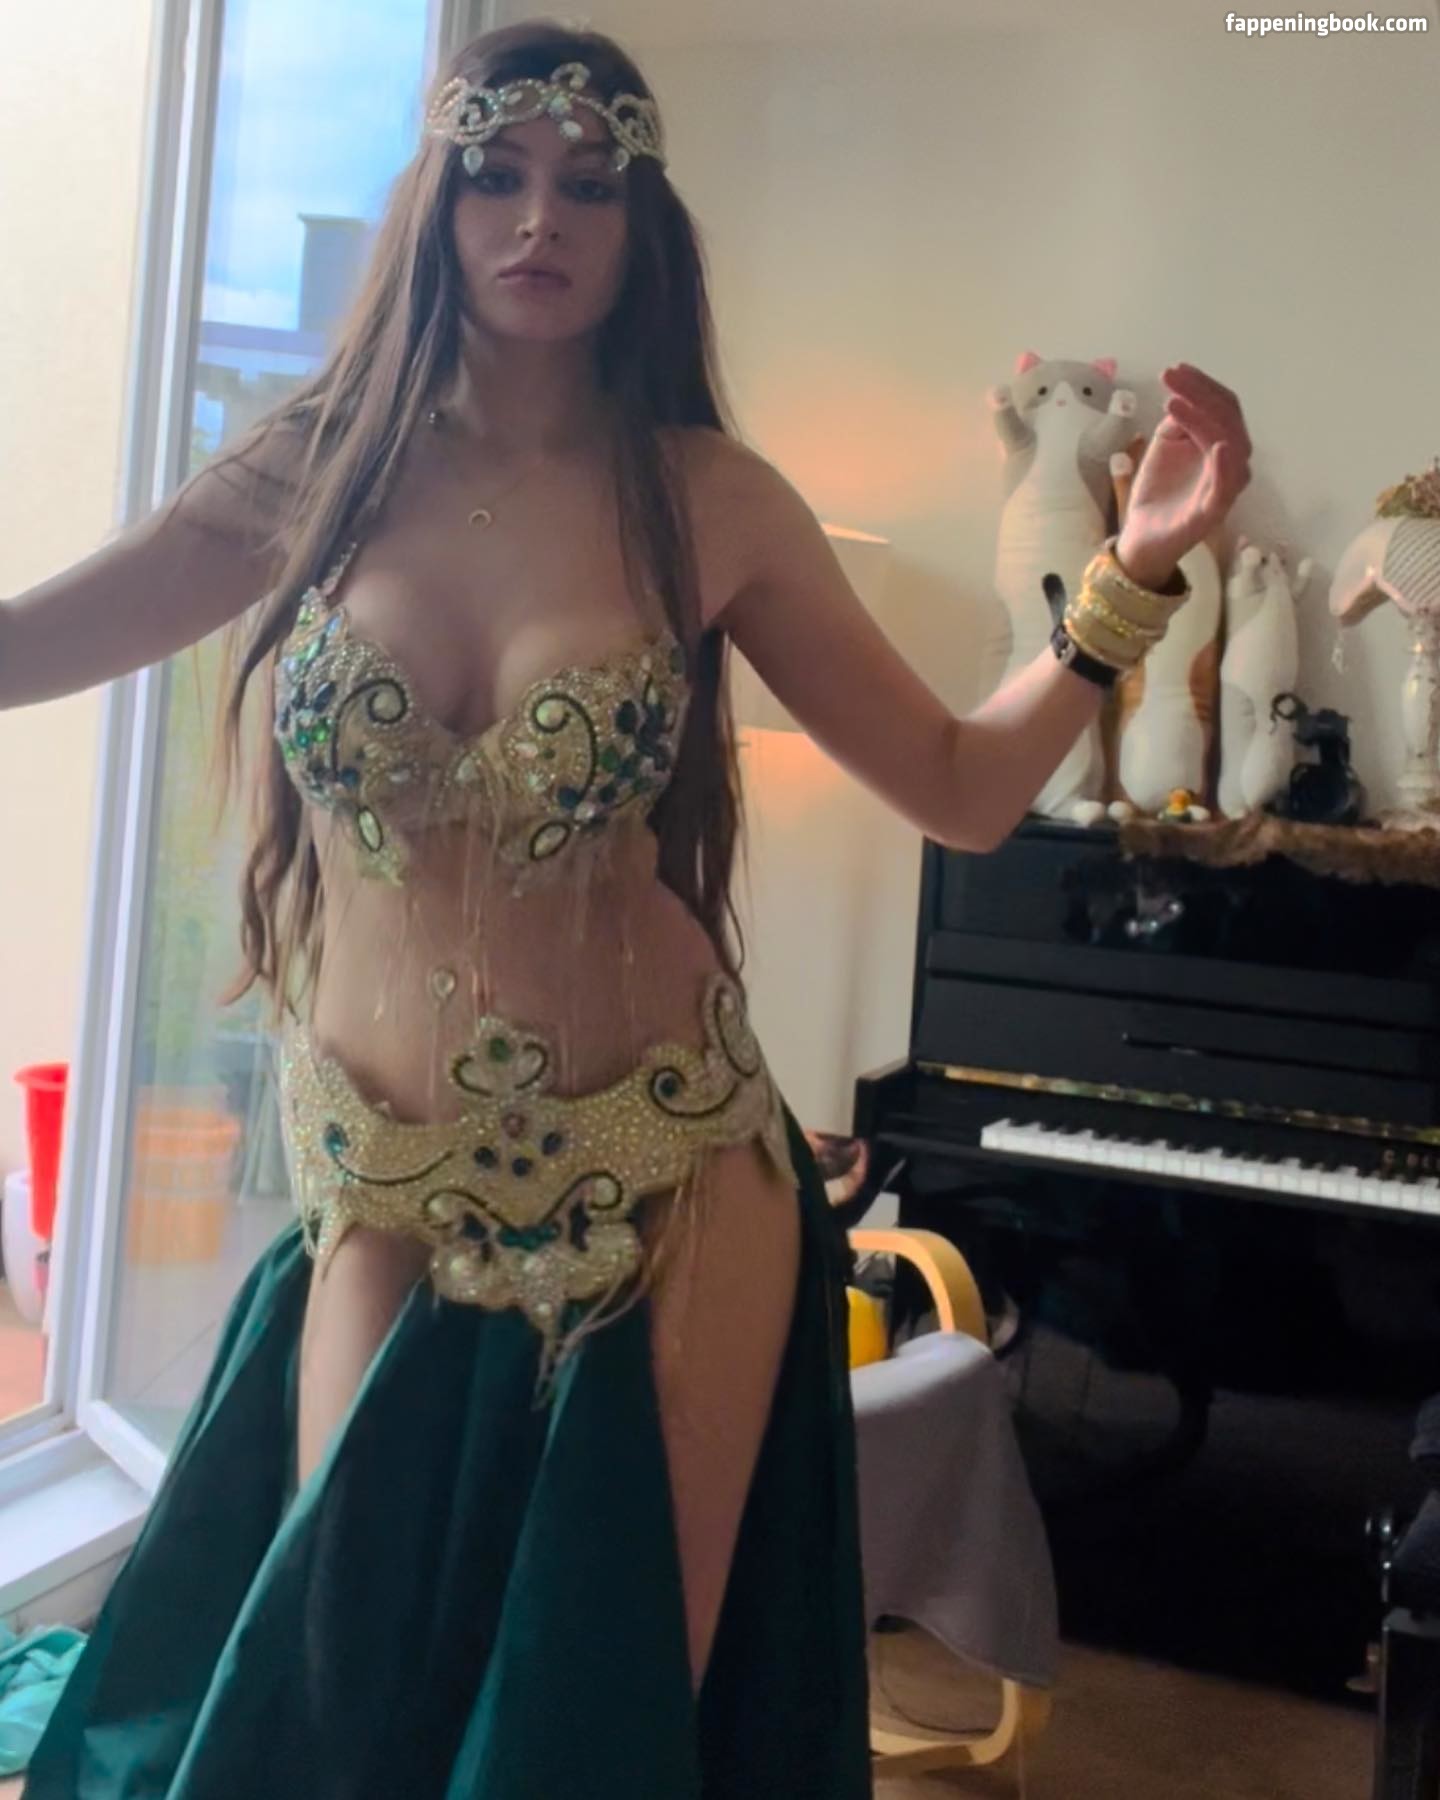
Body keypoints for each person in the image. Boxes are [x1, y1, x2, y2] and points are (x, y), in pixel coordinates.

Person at [4, 21, 1251, 1798]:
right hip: (380, 1171)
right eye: (498, 177)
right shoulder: (310, 472)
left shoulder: (708, 498)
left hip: (671, 1169)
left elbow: (963, 787)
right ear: (437, 205)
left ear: (643, 226)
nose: (540, 219)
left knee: (598, 1700)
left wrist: (1130, 574)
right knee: (344, 1682)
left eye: (590, 186)